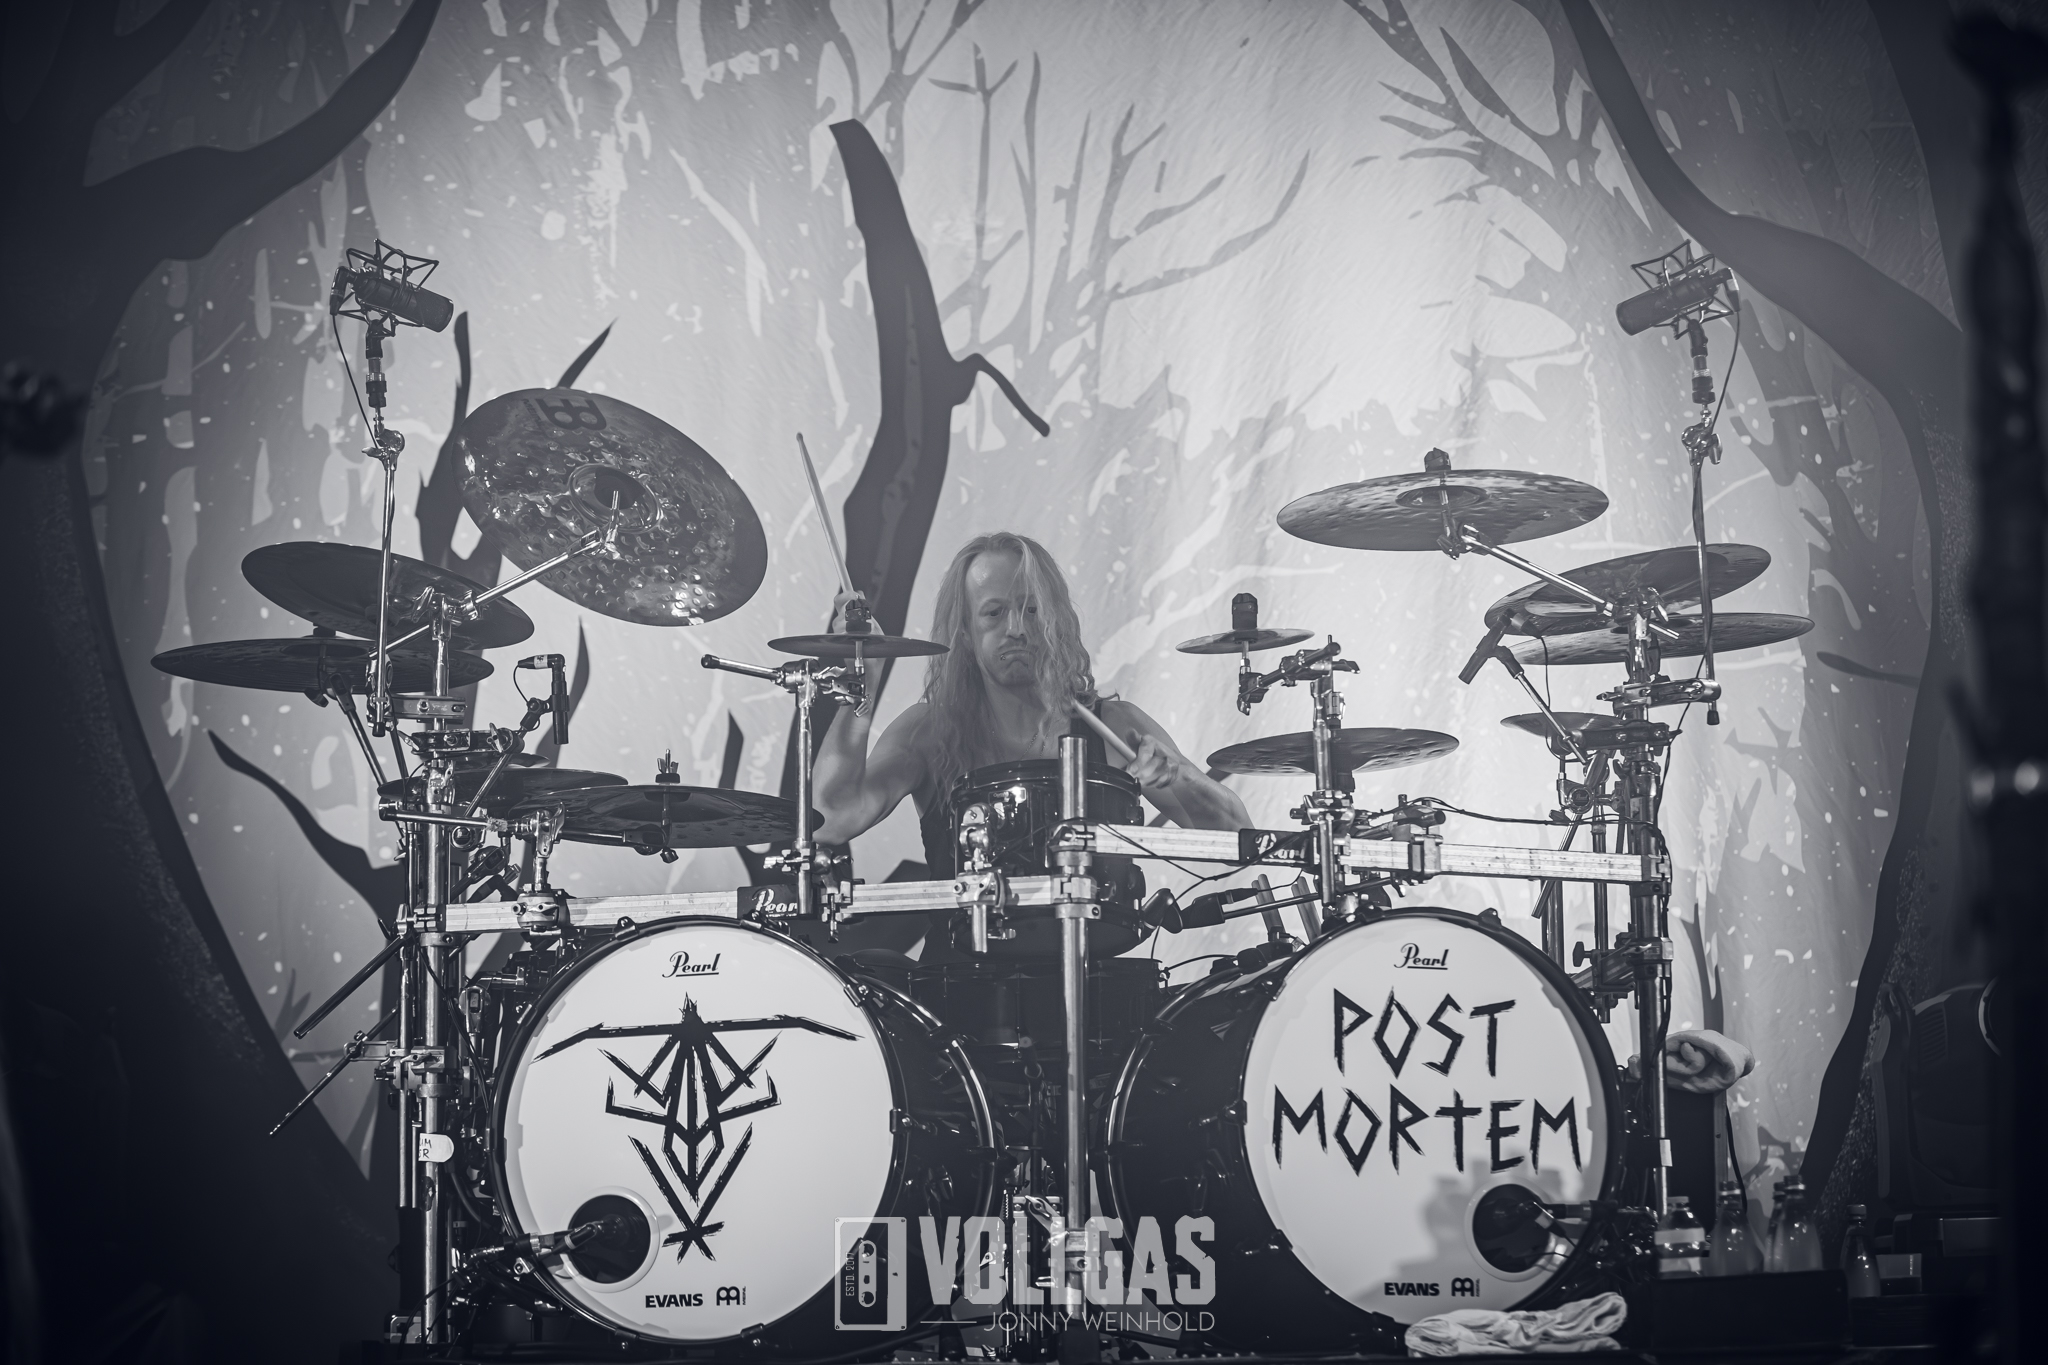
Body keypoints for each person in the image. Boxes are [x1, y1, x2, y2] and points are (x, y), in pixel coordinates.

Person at [814, 530, 1248, 869]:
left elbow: (1241, 838)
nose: (1017, 629)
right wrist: (860, 687)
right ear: (965, 631)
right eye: (994, 612)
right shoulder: (928, 732)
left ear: (1057, 620)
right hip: (962, 959)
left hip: (1096, 956)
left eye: (1032, 610)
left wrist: (1177, 777)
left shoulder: (1116, 728)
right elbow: (831, 822)